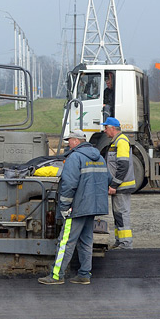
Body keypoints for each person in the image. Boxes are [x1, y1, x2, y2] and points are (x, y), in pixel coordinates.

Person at [37, 130, 110, 285]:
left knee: (66, 241)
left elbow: (69, 185)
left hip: (77, 208)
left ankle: (56, 276)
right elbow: (108, 179)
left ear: (77, 141)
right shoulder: (99, 158)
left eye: (69, 140)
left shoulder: (75, 157)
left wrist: (64, 206)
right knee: (86, 241)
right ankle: (84, 274)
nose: (68, 143)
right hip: (93, 207)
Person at [103, 117, 135, 249]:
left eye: (106, 128)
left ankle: (126, 244)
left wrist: (114, 185)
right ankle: (119, 241)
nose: (104, 130)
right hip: (119, 186)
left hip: (121, 186)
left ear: (112, 128)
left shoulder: (121, 142)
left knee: (121, 214)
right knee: (118, 215)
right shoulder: (115, 142)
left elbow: (123, 165)